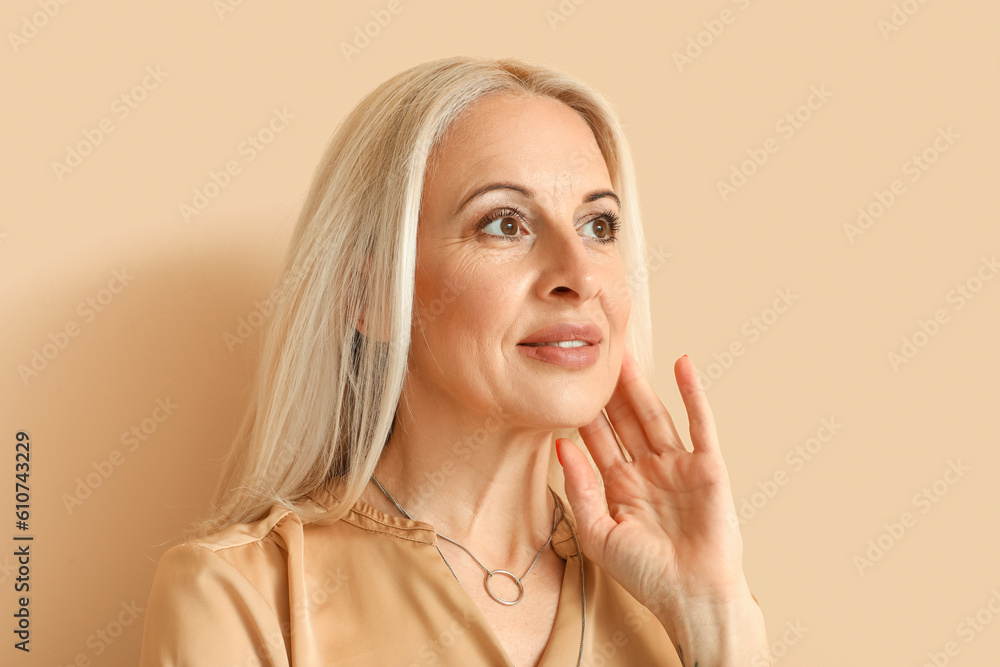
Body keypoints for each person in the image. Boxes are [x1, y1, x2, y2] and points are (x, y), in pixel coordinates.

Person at [139, 55, 771, 667]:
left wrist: (716, 619)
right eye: (503, 224)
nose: (579, 275)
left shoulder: (676, 595)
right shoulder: (240, 595)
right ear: (371, 296)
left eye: (599, 226)